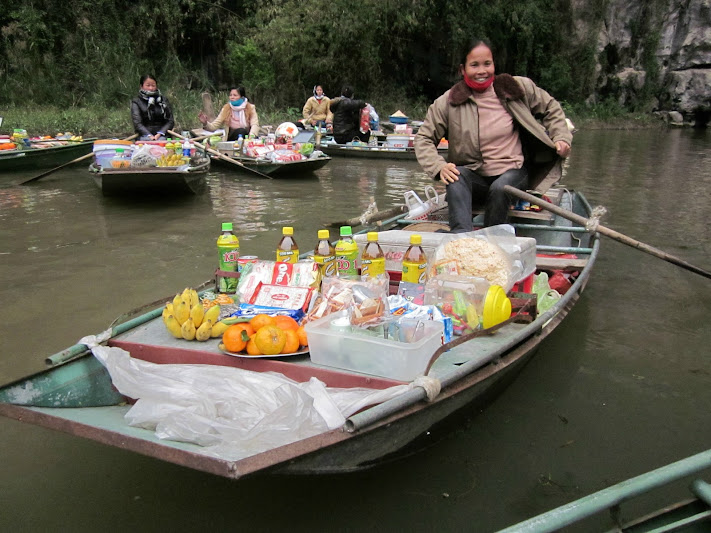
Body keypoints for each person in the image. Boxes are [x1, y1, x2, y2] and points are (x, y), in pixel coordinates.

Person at [414, 38, 572, 231]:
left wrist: (561, 137)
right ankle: (461, 238)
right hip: (475, 177)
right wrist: (439, 167)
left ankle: (493, 239)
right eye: (474, 65)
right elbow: (423, 138)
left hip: (513, 173)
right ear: (463, 69)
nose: (482, 71)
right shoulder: (448, 102)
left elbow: (551, 107)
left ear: (494, 65)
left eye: (487, 64)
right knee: (455, 177)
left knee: (501, 188)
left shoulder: (515, 88)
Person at [131, 75, 174, 141]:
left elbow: (170, 121)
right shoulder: (136, 102)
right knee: (147, 140)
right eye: (148, 85)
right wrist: (149, 135)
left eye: (153, 85)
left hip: (163, 134)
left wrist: (159, 134)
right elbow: (137, 123)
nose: (151, 88)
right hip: (144, 135)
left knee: (161, 140)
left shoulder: (163, 100)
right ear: (141, 86)